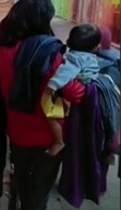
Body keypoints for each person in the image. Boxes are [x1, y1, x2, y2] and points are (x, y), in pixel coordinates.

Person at [0, 0, 85, 210]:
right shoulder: (49, 52)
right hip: (50, 135)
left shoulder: (0, 51)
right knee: (40, 188)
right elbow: (71, 91)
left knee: (23, 182)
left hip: (18, 132)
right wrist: (80, 89)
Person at [43, 24, 101, 156]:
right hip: (89, 86)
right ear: (95, 47)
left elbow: (65, 72)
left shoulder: (75, 58)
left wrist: (51, 86)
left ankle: (59, 141)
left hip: (80, 85)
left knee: (49, 112)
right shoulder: (89, 56)